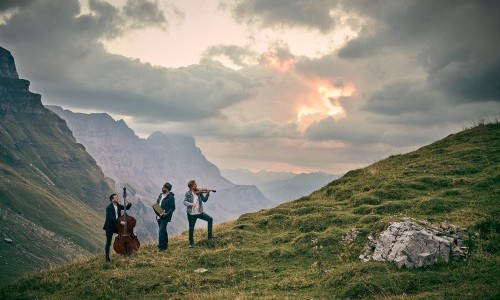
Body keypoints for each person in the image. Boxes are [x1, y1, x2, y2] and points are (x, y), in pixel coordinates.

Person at [183, 179, 213, 248]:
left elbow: (204, 200)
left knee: (210, 219)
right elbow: (184, 202)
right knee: (191, 228)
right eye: (195, 185)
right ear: (191, 186)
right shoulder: (187, 193)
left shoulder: (199, 192)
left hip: (199, 212)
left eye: (196, 184)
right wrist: (191, 204)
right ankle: (191, 243)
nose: (196, 185)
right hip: (191, 214)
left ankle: (210, 237)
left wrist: (208, 193)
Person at [103, 193, 131, 262]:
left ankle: (125, 251)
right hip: (109, 227)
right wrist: (120, 222)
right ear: (112, 200)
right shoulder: (109, 208)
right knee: (108, 242)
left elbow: (126, 208)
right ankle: (107, 258)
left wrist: (128, 202)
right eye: (115, 197)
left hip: (116, 226)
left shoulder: (118, 205)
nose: (117, 198)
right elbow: (110, 218)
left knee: (124, 234)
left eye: (117, 197)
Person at [156, 182, 175, 252]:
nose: (162, 188)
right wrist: (157, 211)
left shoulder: (171, 197)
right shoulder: (160, 195)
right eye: (163, 186)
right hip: (158, 215)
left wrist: (166, 214)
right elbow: (157, 203)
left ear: (168, 189)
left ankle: (161, 247)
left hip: (165, 217)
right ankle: (165, 244)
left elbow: (173, 207)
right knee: (163, 230)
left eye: (164, 187)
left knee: (161, 231)